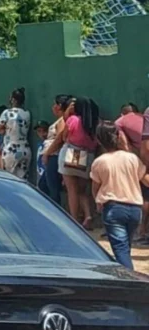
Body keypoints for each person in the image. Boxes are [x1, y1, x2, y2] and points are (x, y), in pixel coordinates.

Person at [90, 121, 147, 270]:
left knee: (120, 249)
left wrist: (98, 202)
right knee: (125, 247)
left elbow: (95, 187)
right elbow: (144, 179)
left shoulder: (99, 162)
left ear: (99, 139)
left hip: (113, 208)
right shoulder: (131, 158)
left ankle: (129, 280)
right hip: (135, 209)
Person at [44, 97, 99, 229]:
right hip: (88, 156)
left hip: (70, 154)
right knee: (82, 190)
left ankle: (74, 220)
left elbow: (63, 137)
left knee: (72, 190)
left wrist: (68, 112)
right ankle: (88, 215)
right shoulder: (95, 123)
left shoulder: (73, 120)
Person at [39, 95, 71, 204]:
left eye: (55, 104)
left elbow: (59, 139)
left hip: (55, 157)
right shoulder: (60, 120)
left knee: (52, 188)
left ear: (59, 106)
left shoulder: (62, 121)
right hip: (53, 156)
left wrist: (47, 154)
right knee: (44, 185)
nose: (53, 107)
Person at [0, 87, 31, 179]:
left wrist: (5, 130)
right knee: (22, 181)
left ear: (13, 100)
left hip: (11, 149)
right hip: (25, 149)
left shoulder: (7, 113)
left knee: (8, 179)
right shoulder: (27, 114)